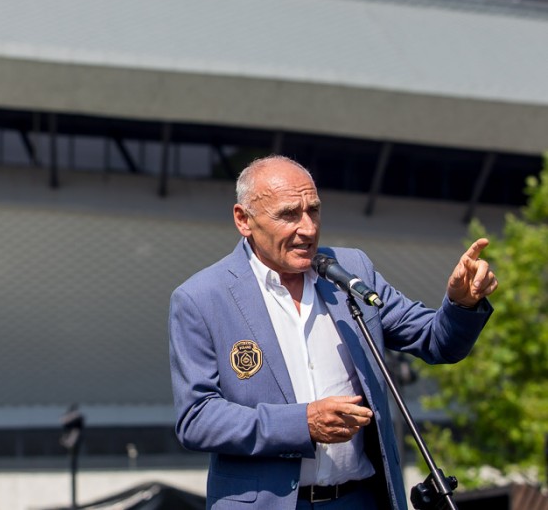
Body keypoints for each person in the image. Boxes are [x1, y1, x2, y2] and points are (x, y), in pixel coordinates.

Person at [169, 155, 497, 509]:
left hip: (359, 499)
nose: (308, 228)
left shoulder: (351, 270)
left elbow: (437, 341)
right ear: (243, 219)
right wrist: (303, 423)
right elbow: (197, 419)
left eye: (313, 210)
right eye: (289, 214)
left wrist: (461, 304)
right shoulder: (201, 298)